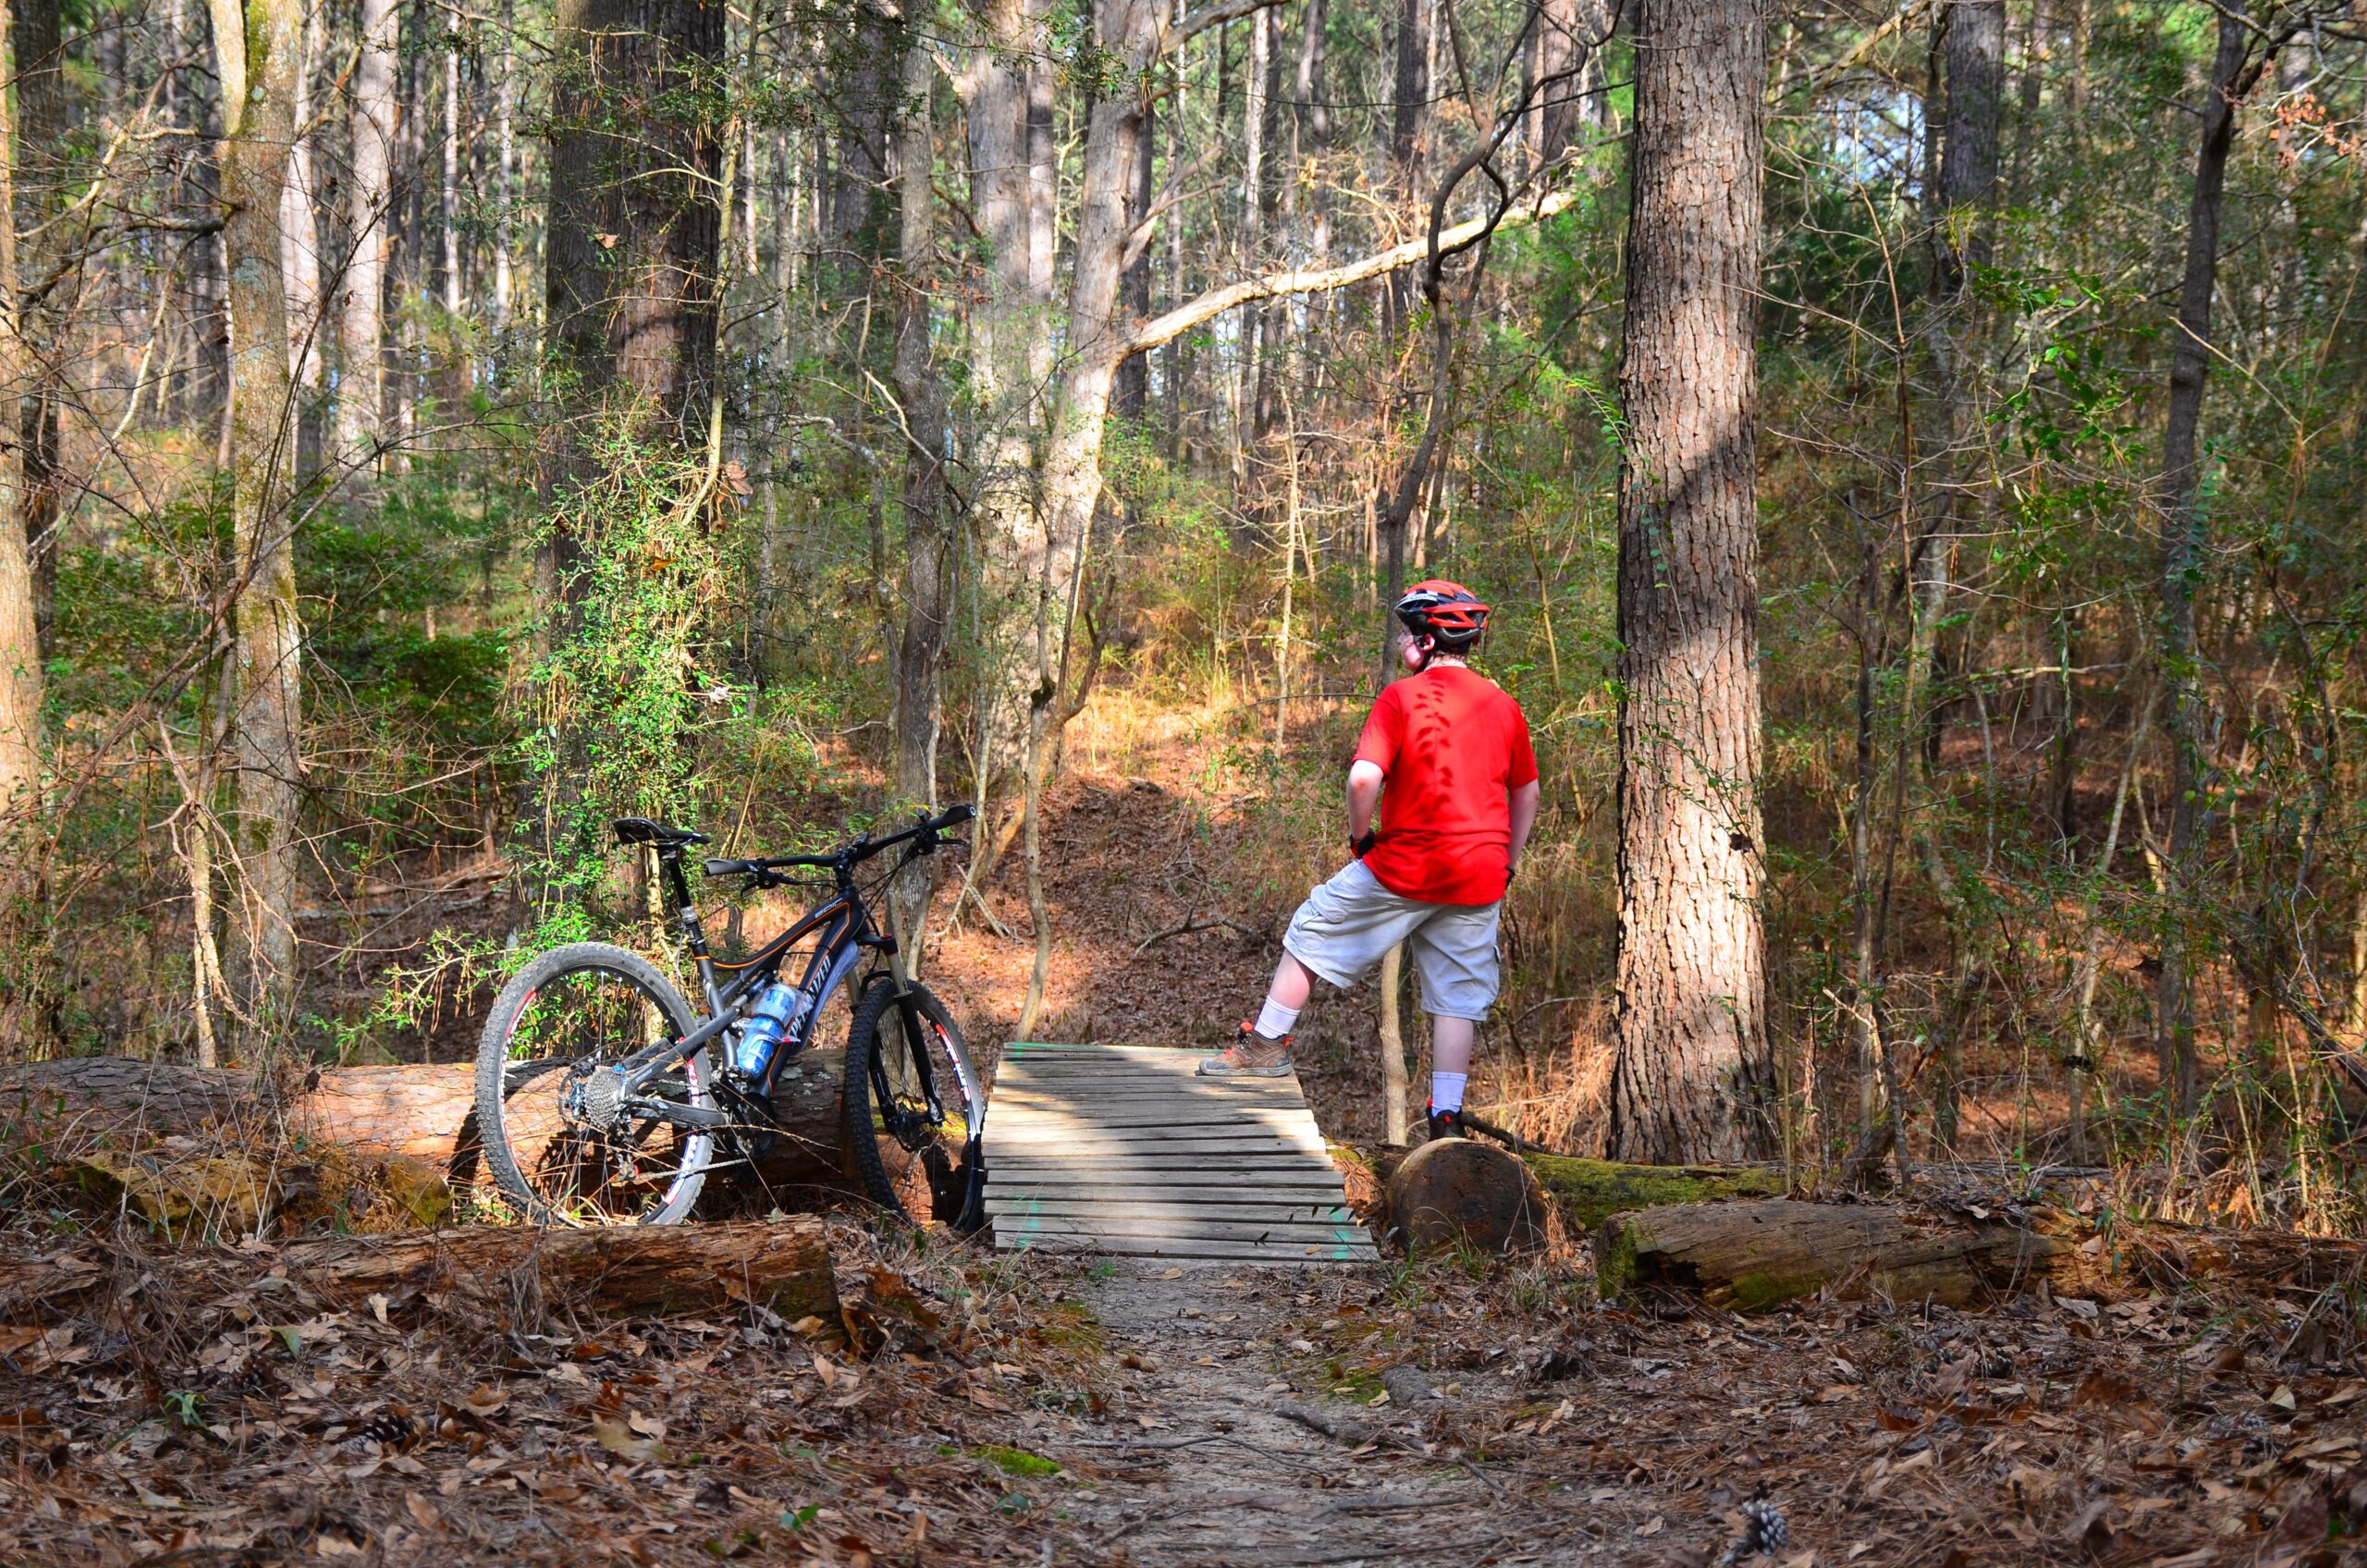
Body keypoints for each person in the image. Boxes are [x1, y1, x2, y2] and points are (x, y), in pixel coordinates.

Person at [1197, 581, 1540, 1140]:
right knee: (1457, 995)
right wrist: (1508, 862)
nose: (1405, 640)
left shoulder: (1402, 697)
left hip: (1408, 864)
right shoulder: (1504, 706)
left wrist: (1362, 838)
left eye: (1410, 631)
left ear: (1427, 644)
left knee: (1311, 927)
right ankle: (1446, 1117)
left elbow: (1364, 778)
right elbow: (1526, 792)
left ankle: (1264, 1047)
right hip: (1480, 874)